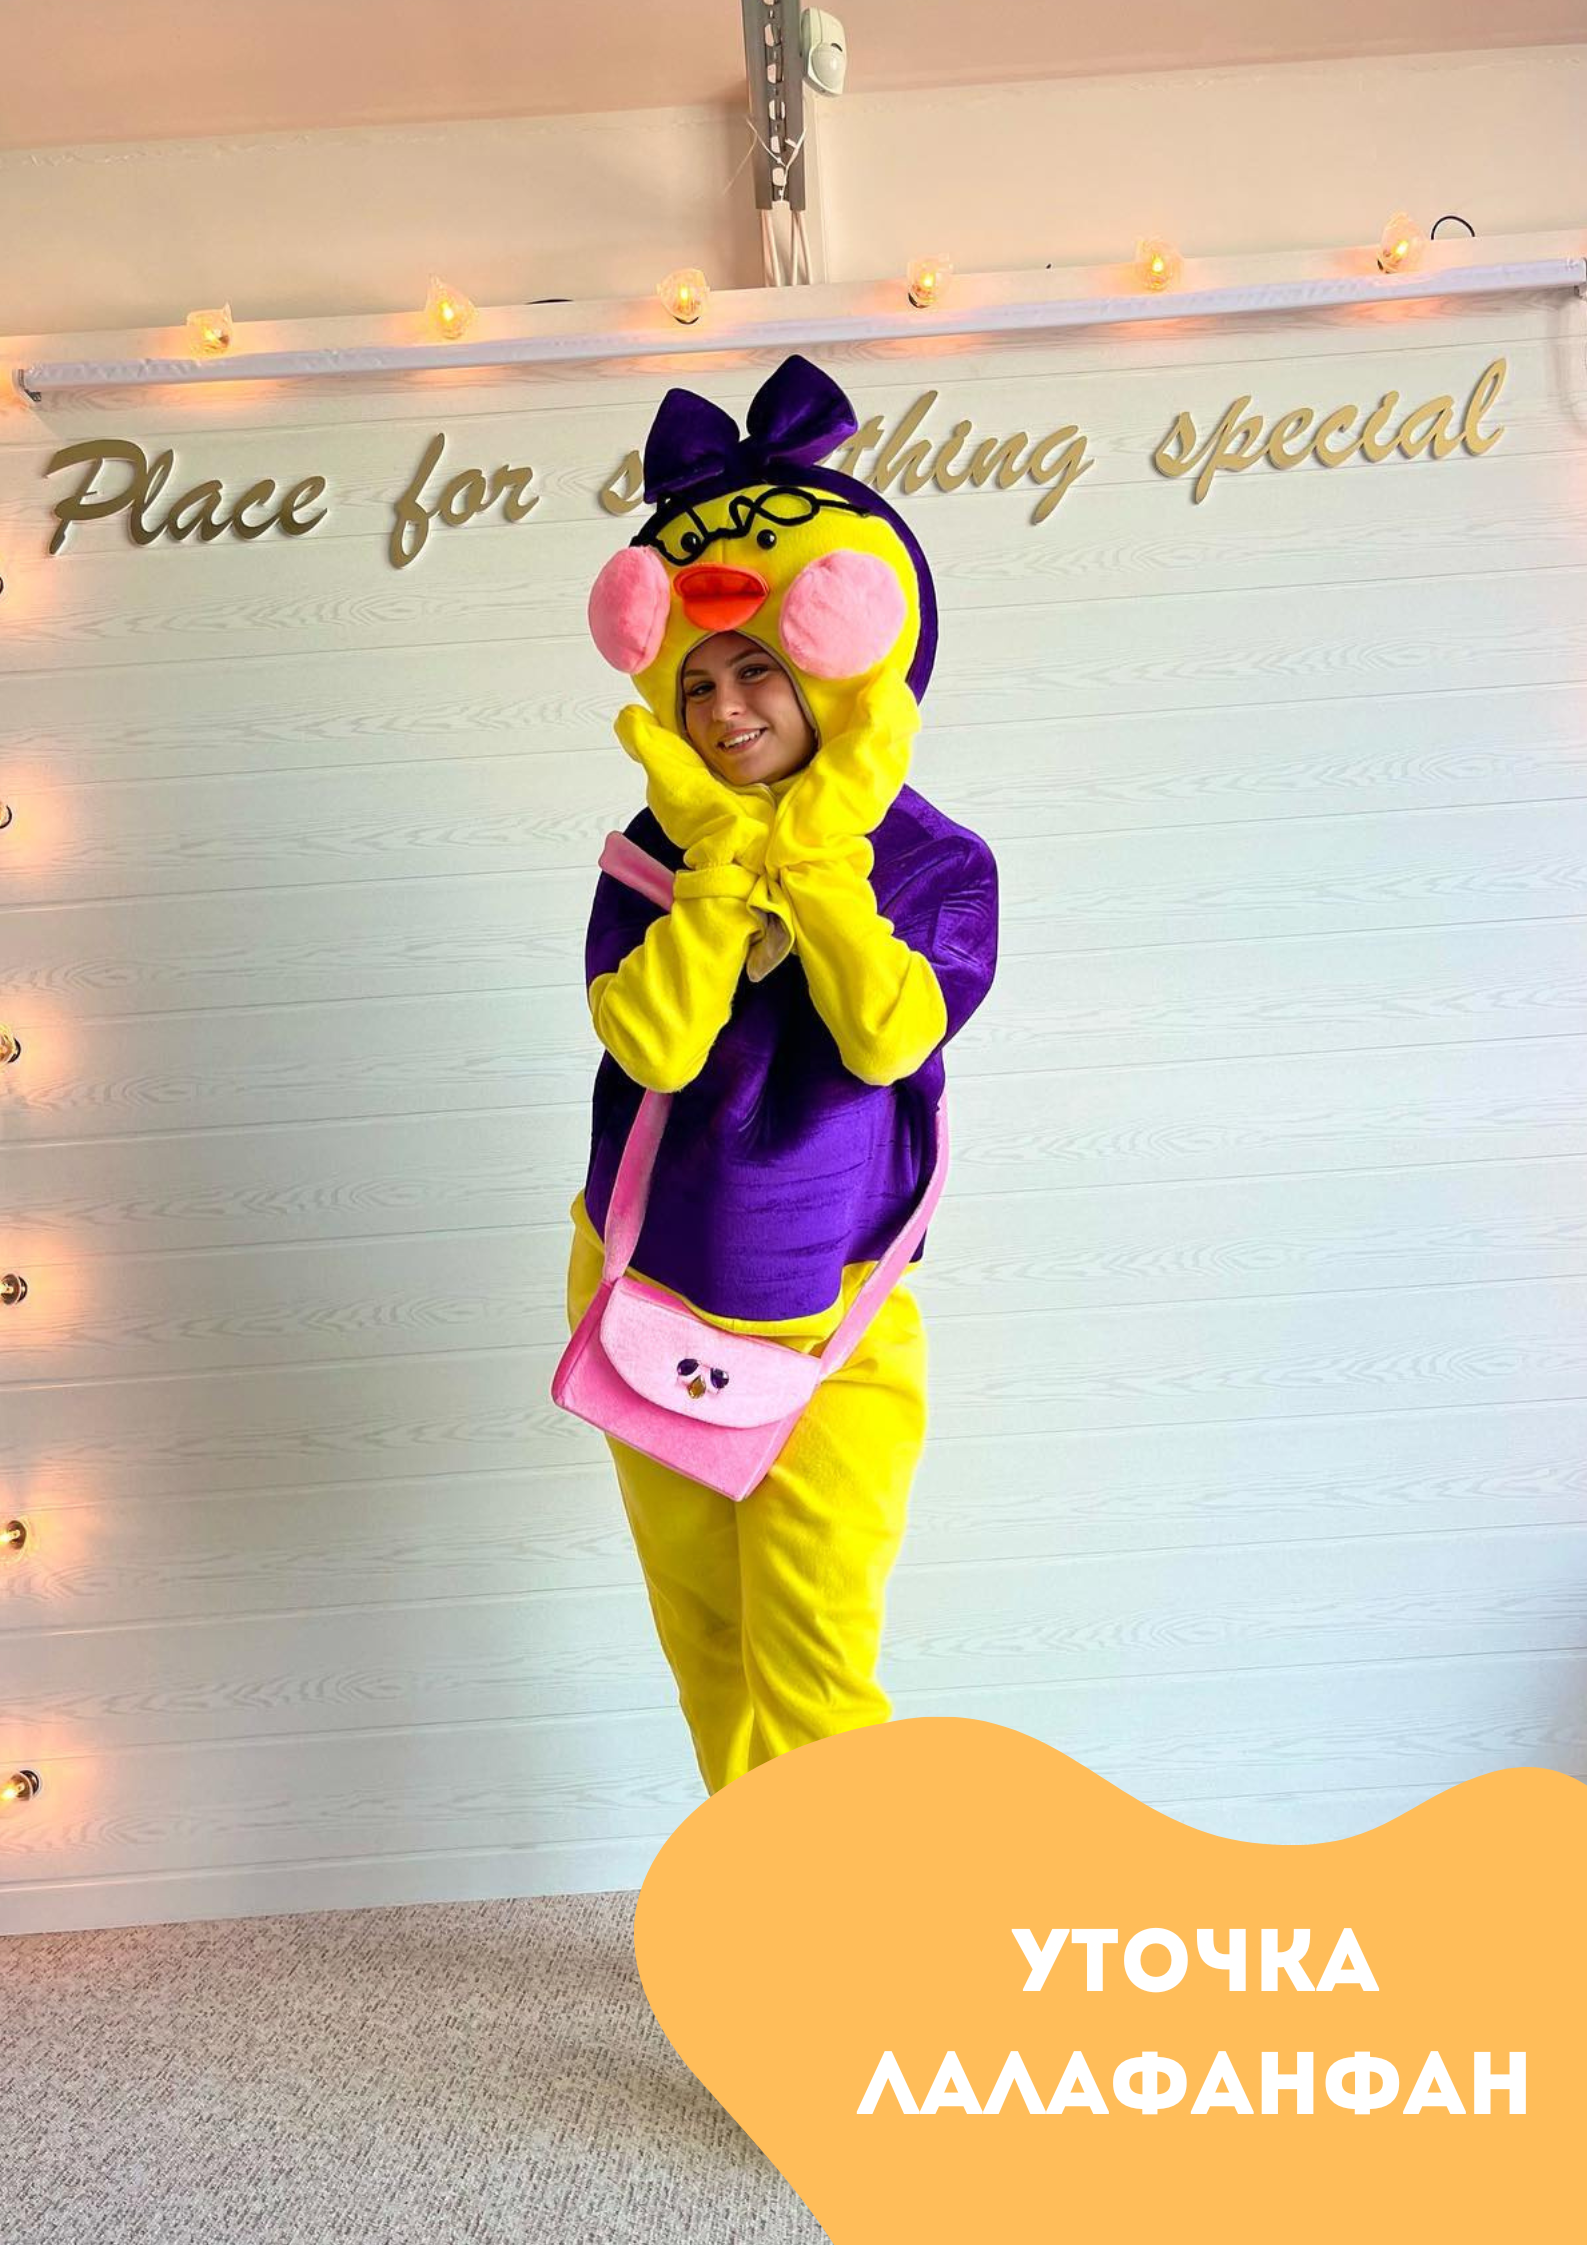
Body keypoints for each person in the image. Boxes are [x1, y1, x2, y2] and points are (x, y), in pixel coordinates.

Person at [564, 353, 999, 1795]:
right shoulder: (647, 855)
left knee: (816, 1665)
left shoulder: (934, 863)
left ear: (835, 669)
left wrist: (810, 864)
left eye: (758, 669)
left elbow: (887, 1036)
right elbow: (655, 1044)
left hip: (834, 1312)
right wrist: (711, 875)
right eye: (699, 681)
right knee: (709, 1647)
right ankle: (756, 1907)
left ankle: (855, 1921)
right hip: (644, 1277)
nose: (727, 707)